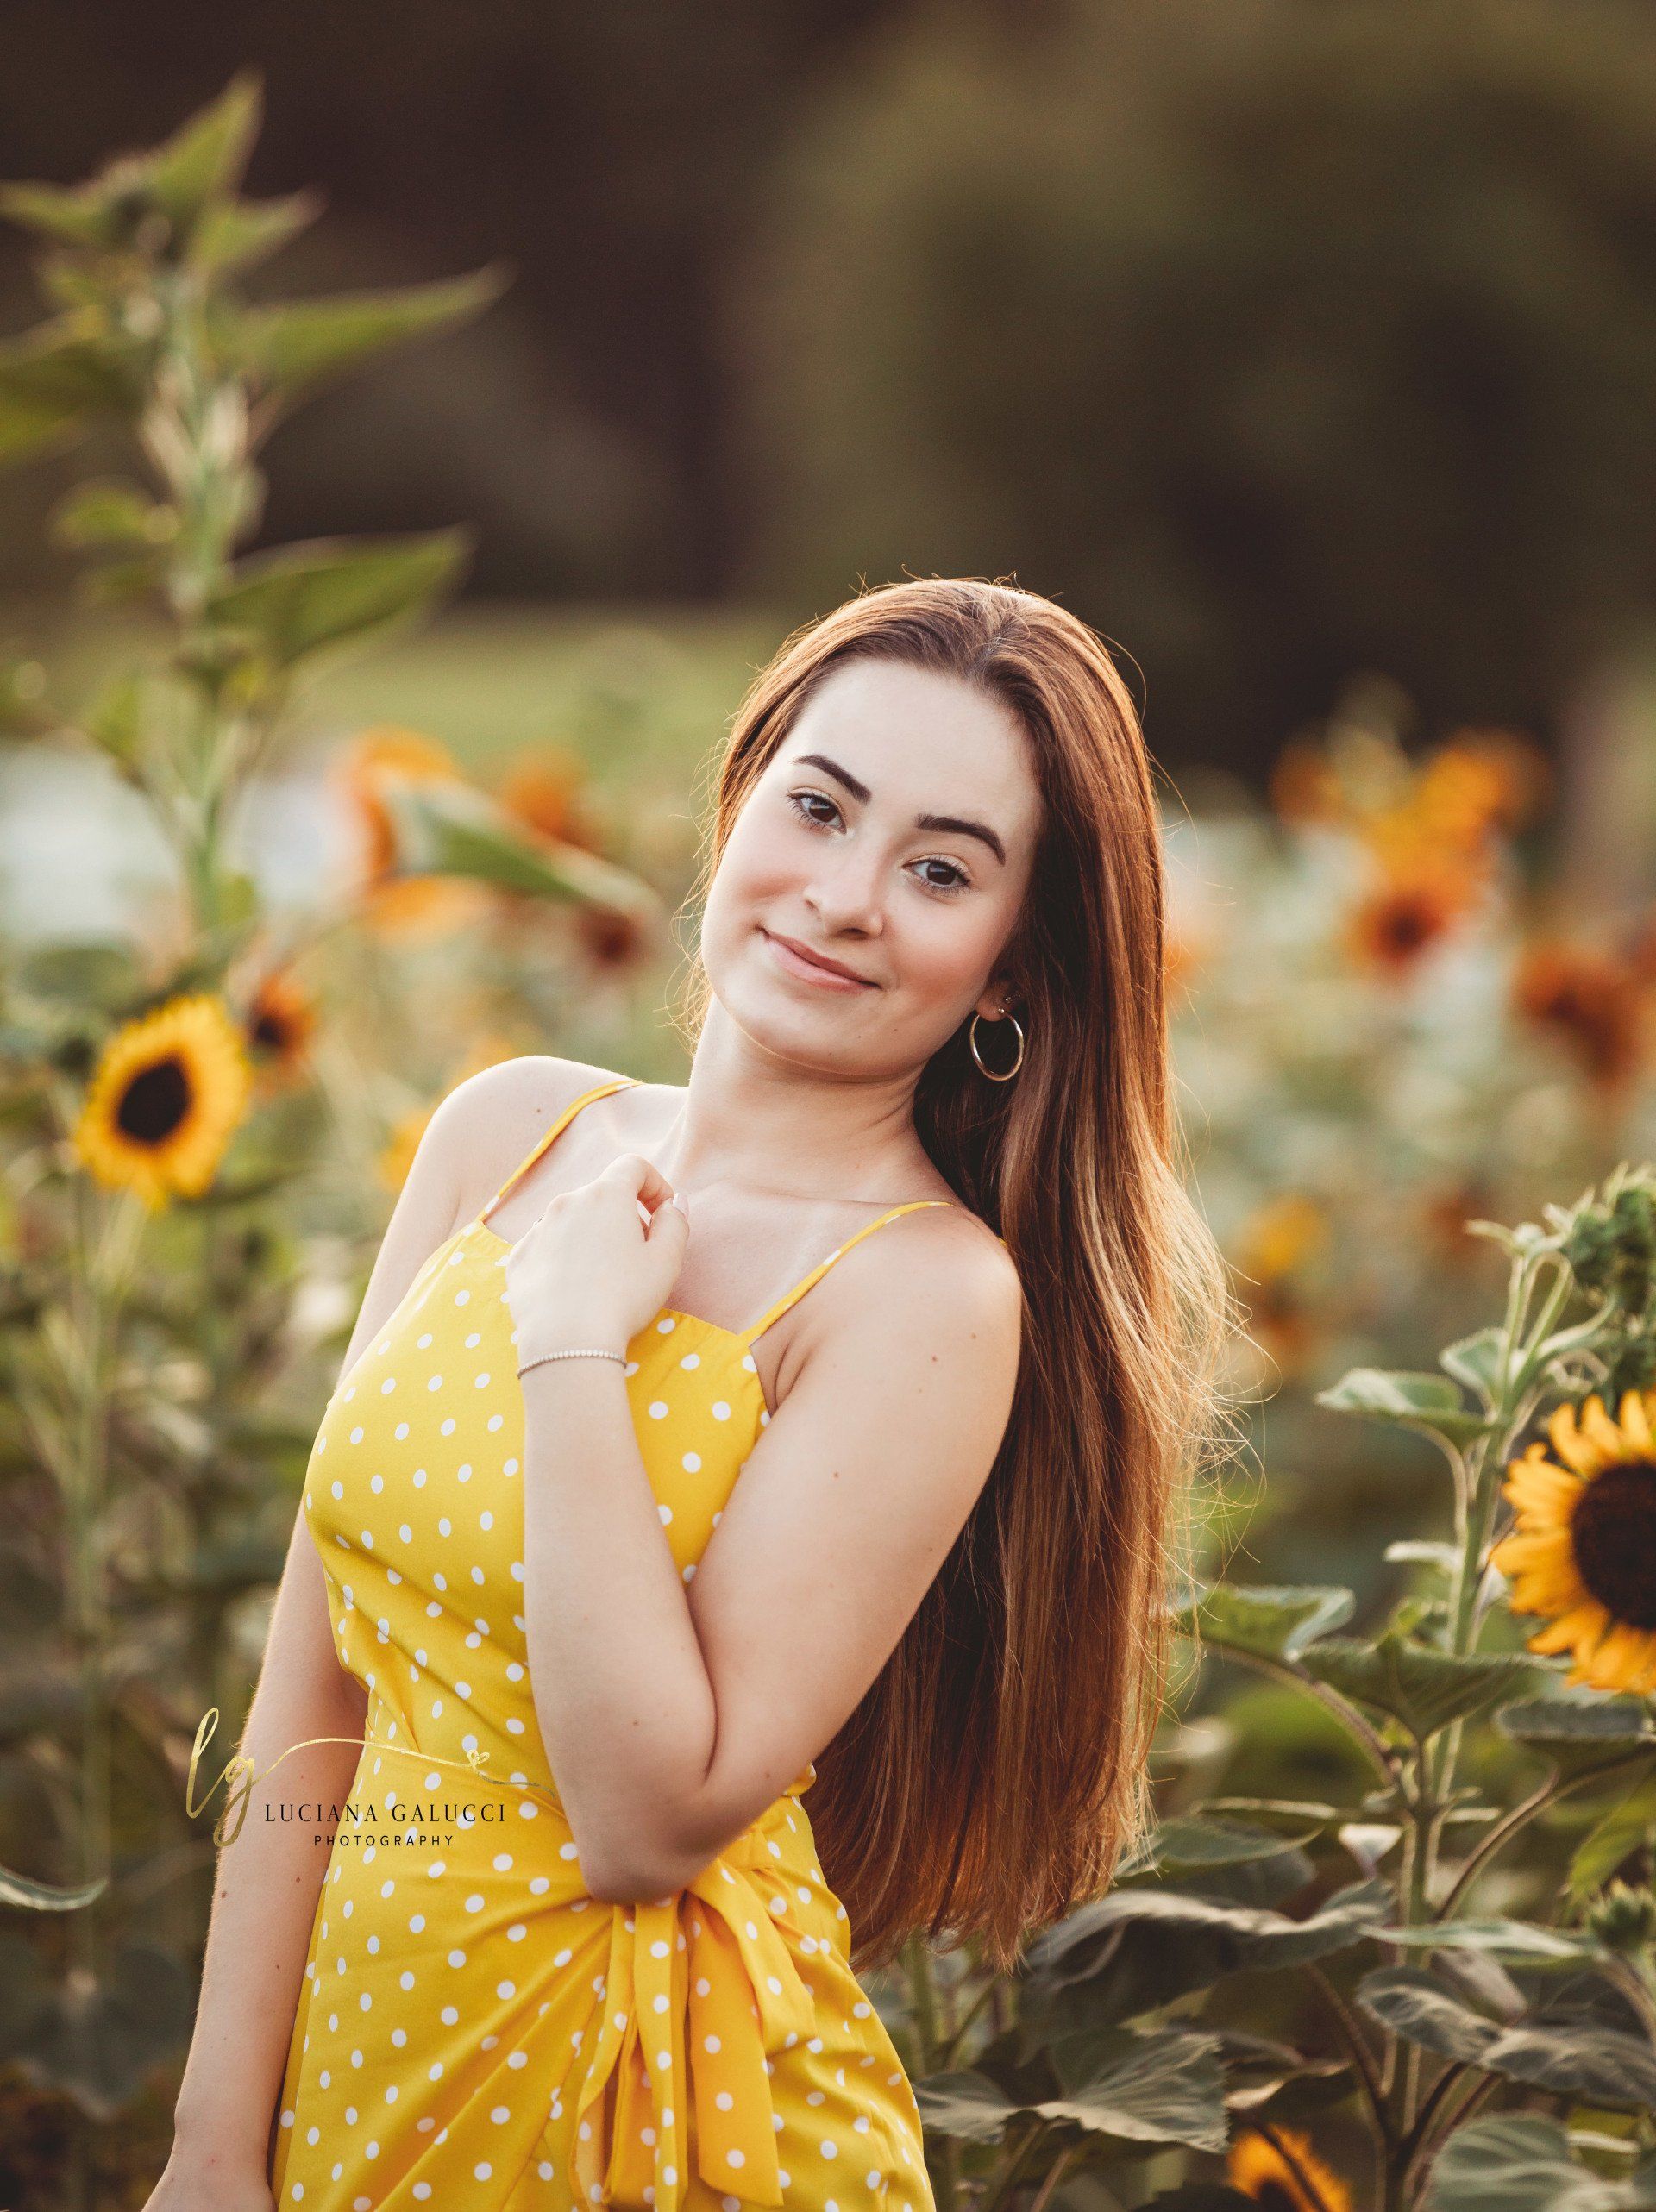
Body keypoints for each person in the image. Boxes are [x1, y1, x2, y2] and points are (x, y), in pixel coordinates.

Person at [146, 577, 1231, 2212]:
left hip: (649, 2115)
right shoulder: (504, 1132)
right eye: (820, 806)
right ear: (739, 810)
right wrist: (214, 2145)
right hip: (364, 2080)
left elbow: (645, 1817)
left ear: (1013, 973)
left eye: (941, 869)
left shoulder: (925, 1296)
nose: (847, 895)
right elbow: (314, 1679)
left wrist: (576, 1351)